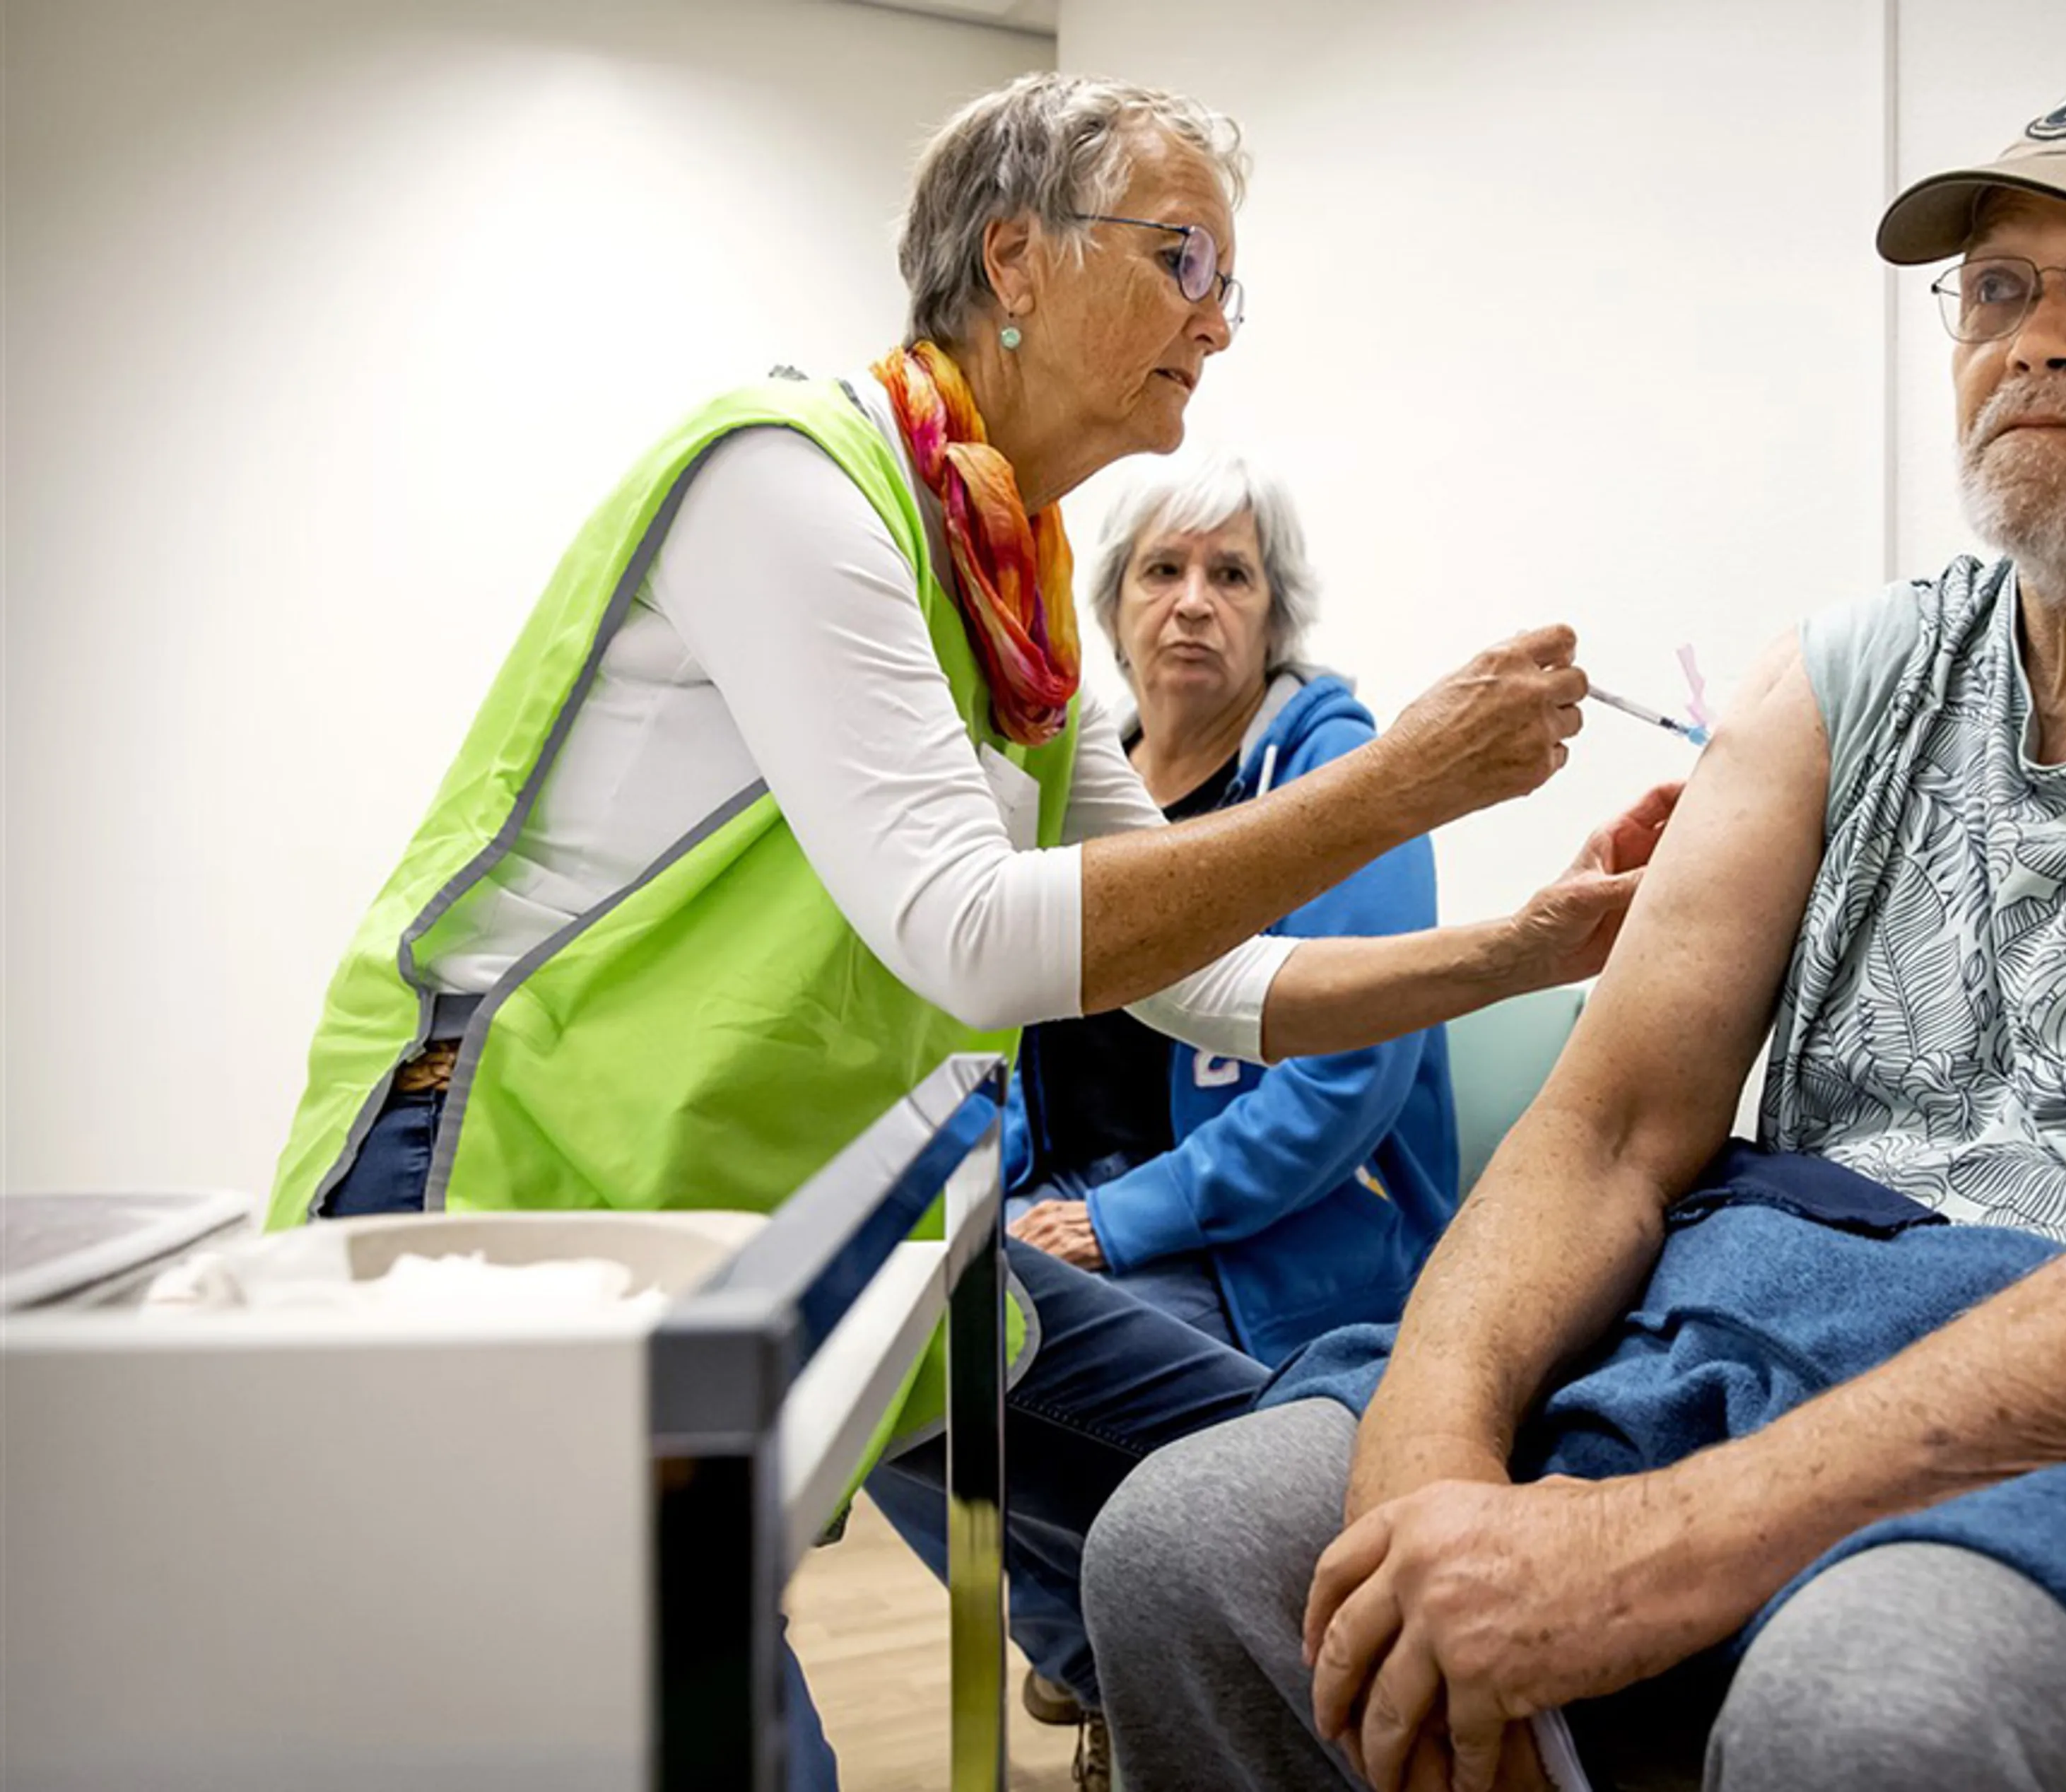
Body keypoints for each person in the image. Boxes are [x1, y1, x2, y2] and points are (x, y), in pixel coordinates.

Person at [1084, 74, 2066, 1792]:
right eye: (1999, 289)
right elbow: (1612, 1127)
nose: (2041, 338)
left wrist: (1652, 1549)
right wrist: (1426, 1490)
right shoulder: (1845, 675)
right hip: (1797, 1335)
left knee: (1896, 1687)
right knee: (1199, 1541)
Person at [264, 71, 1669, 1791]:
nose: (1216, 325)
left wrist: (1529, 945)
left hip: (812, 1214)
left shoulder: (1014, 593)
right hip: (534, 1189)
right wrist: (1403, 788)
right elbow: (967, 932)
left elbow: (1200, 979)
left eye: (1230, 283)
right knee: (726, 1737)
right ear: (1014, 257)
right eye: (1180, 263)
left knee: (1264, 1497)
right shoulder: (792, 480)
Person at [1001, 451, 1460, 1364]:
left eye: (1232, 574)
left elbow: (1344, 1073)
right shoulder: (1071, 783)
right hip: (1062, 1192)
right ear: (1115, 609)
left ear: (1275, 615)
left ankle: (1090, 1515)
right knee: (872, 1309)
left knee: (983, 1350)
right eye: (1163, 569)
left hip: (1269, 1245)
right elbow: (1002, 1020)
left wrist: (1114, 1221)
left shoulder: (1341, 778)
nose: (1194, 601)